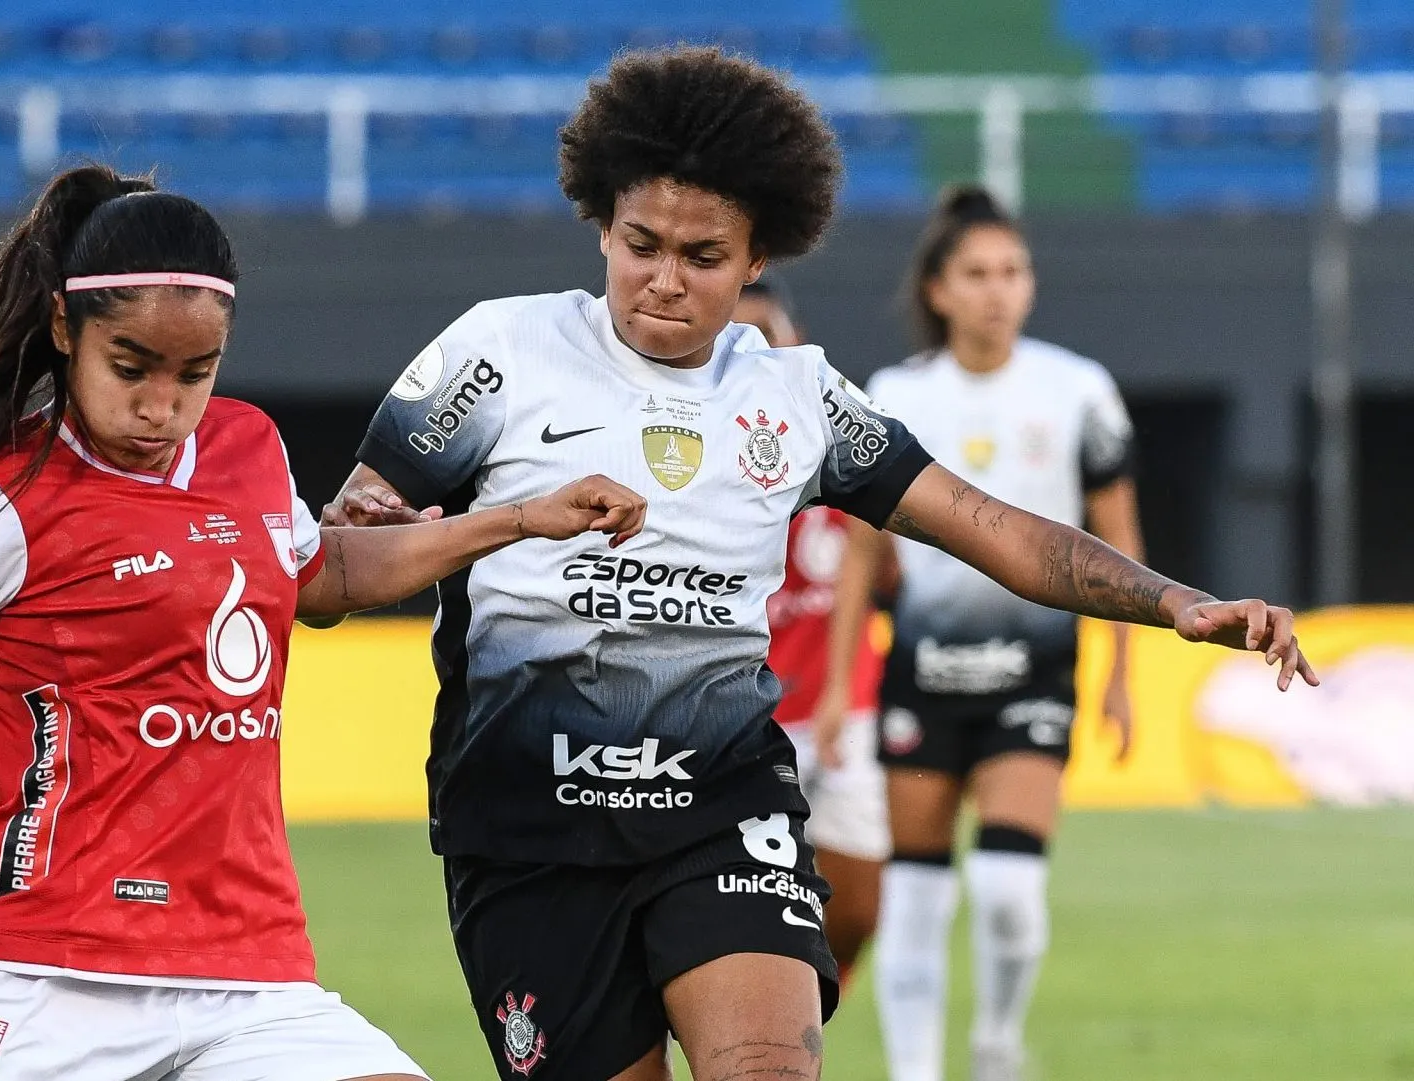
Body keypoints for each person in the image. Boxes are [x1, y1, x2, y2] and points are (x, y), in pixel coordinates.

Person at [323, 48, 1313, 1081]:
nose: (666, 280)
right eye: (640, 244)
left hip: (718, 810)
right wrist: (489, 521)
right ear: (599, 225)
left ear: (757, 259)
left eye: (703, 256)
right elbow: (340, 568)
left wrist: (1175, 602)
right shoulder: (498, 354)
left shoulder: (795, 395)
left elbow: (988, 525)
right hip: (525, 833)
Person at [0, 165, 647, 1081]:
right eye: (130, 367)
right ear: (65, 328)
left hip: (246, 976)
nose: (162, 403)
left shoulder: (247, 447)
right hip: (40, 974)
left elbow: (319, 573)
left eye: (194, 373)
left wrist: (519, 518)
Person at [817, 185, 1149, 1081]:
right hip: (923, 675)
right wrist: (841, 691)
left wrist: (1121, 673)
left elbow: (1119, 540)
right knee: (914, 904)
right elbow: (857, 561)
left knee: (1008, 893)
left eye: (1013, 271)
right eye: (977, 273)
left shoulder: (1079, 390)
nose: (998, 290)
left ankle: (998, 1043)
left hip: (1033, 673)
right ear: (937, 289)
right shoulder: (890, 395)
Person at [734, 280, 896, 988]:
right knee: (747, 916)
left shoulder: (838, 436)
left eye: (764, 336)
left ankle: (800, 1013)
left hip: (843, 706)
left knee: (857, 909)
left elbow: (885, 575)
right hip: (741, 723)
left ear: (797, 344)